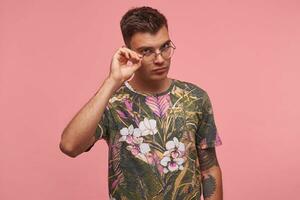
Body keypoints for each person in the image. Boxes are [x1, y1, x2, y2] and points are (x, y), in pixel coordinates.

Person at [59, 6, 223, 200]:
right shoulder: (113, 102)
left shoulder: (195, 97)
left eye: (165, 47)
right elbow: (69, 146)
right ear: (129, 52)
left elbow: (209, 168)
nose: (160, 59)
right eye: (147, 51)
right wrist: (113, 81)